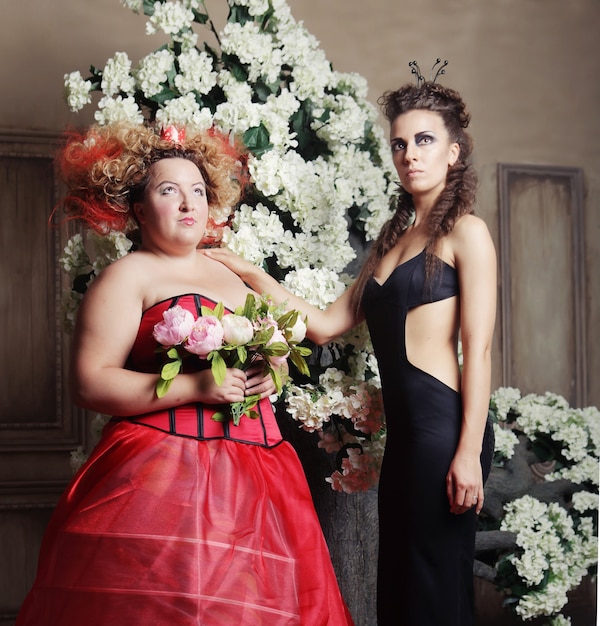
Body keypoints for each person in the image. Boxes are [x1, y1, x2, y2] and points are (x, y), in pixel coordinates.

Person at [16, 122, 354, 626]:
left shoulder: (232, 271)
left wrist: (273, 370)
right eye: (168, 190)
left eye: (197, 190)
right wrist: (194, 385)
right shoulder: (129, 274)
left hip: (262, 473)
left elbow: (287, 344)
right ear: (137, 210)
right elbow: (89, 382)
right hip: (165, 477)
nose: (187, 203)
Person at [204, 77, 497, 626]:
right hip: (407, 441)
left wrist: (467, 452)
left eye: (426, 140)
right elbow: (322, 325)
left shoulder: (467, 233)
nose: (410, 155)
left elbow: (477, 351)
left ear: (454, 151)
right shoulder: (393, 243)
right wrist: (246, 270)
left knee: (438, 589)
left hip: (446, 433)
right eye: (400, 144)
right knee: (403, 589)